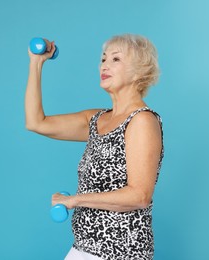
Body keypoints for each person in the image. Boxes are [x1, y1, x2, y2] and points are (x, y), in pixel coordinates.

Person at [25, 34, 164, 260]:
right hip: (84, 248)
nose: (105, 65)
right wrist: (36, 62)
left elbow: (139, 196)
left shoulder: (142, 121)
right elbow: (36, 122)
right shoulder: (96, 120)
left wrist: (75, 200)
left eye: (116, 59)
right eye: (103, 59)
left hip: (121, 253)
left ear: (139, 72)